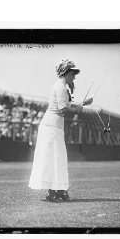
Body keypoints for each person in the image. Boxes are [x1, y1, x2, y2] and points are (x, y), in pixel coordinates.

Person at [28, 60, 93, 202]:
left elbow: (65, 105)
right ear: (67, 73)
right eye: (73, 73)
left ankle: (60, 191)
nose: (74, 77)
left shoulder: (61, 87)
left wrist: (82, 104)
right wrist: (80, 109)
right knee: (54, 159)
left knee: (57, 159)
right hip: (51, 128)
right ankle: (54, 192)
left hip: (54, 127)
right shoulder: (60, 87)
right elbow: (64, 108)